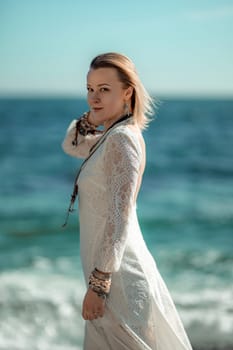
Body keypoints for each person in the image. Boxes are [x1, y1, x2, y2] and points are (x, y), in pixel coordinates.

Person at [62, 52, 193, 350]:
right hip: (109, 278)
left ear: (127, 92)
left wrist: (100, 284)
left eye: (104, 89)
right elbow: (70, 144)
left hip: (118, 282)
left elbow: (119, 216)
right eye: (90, 89)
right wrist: (90, 119)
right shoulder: (111, 136)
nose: (93, 97)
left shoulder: (122, 139)